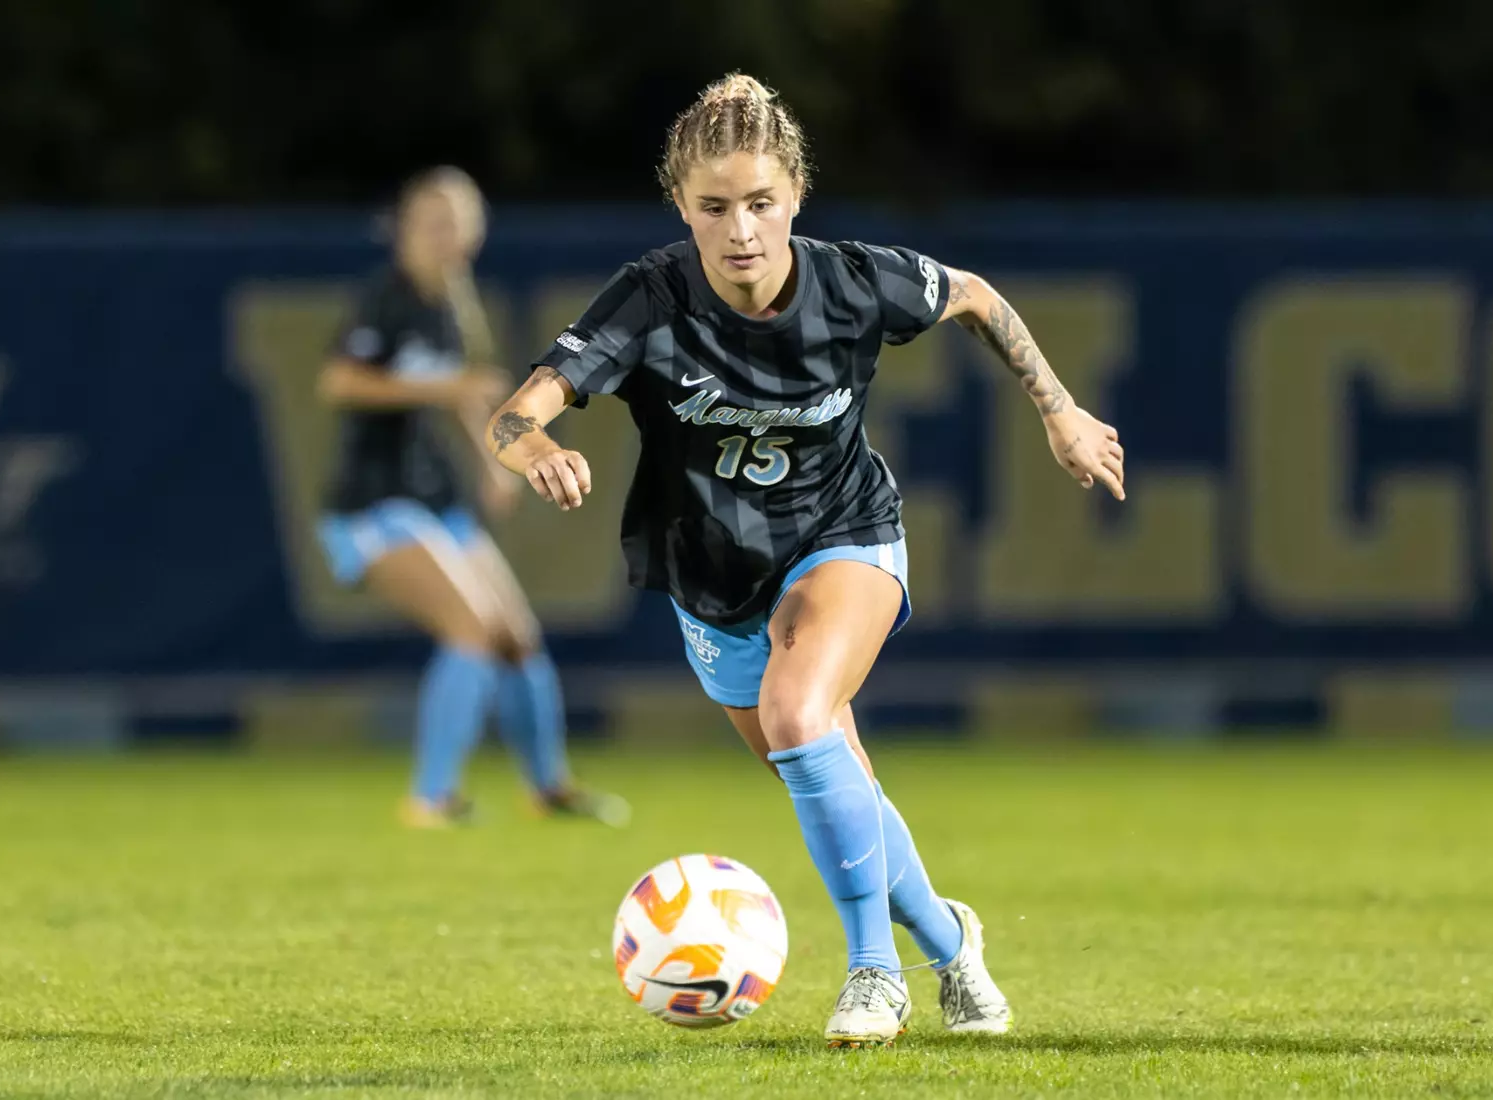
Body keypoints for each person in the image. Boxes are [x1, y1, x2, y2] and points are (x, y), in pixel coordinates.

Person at [485, 76, 1124, 1045]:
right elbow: (517, 409)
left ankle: (875, 973)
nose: (740, 228)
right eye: (713, 207)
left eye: (760, 202)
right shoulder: (652, 296)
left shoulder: (856, 280)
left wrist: (1059, 408)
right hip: (711, 577)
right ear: (681, 205)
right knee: (830, 769)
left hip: (845, 533)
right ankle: (950, 939)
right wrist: (536, 447)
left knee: (796, 712)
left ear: (794, 195)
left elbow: (977, 298)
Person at [315, 166, 628, 830]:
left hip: (432, 501)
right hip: (372, 506)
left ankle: (548, 788)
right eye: (432, 221)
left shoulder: (451, 304)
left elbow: (459, 392)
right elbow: (341, 382)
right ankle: (430, 798)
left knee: (517, 638)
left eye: (458, 222)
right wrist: (444, 389)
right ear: (403, 229)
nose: (446, 235)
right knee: (470, 632)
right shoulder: (389, 297)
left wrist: (490, 462)